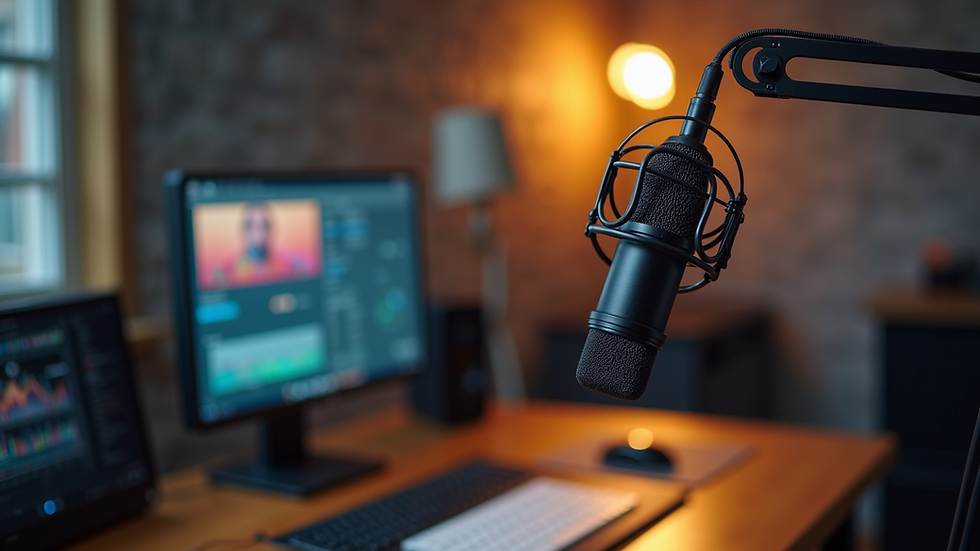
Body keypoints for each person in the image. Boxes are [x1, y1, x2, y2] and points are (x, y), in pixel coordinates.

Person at [209, 202, 314, 288]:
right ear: (246, 231)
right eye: (254, 226)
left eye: (264, 226)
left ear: (270, 230)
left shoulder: (289, 266)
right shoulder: (227, 270)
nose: (259, 233)